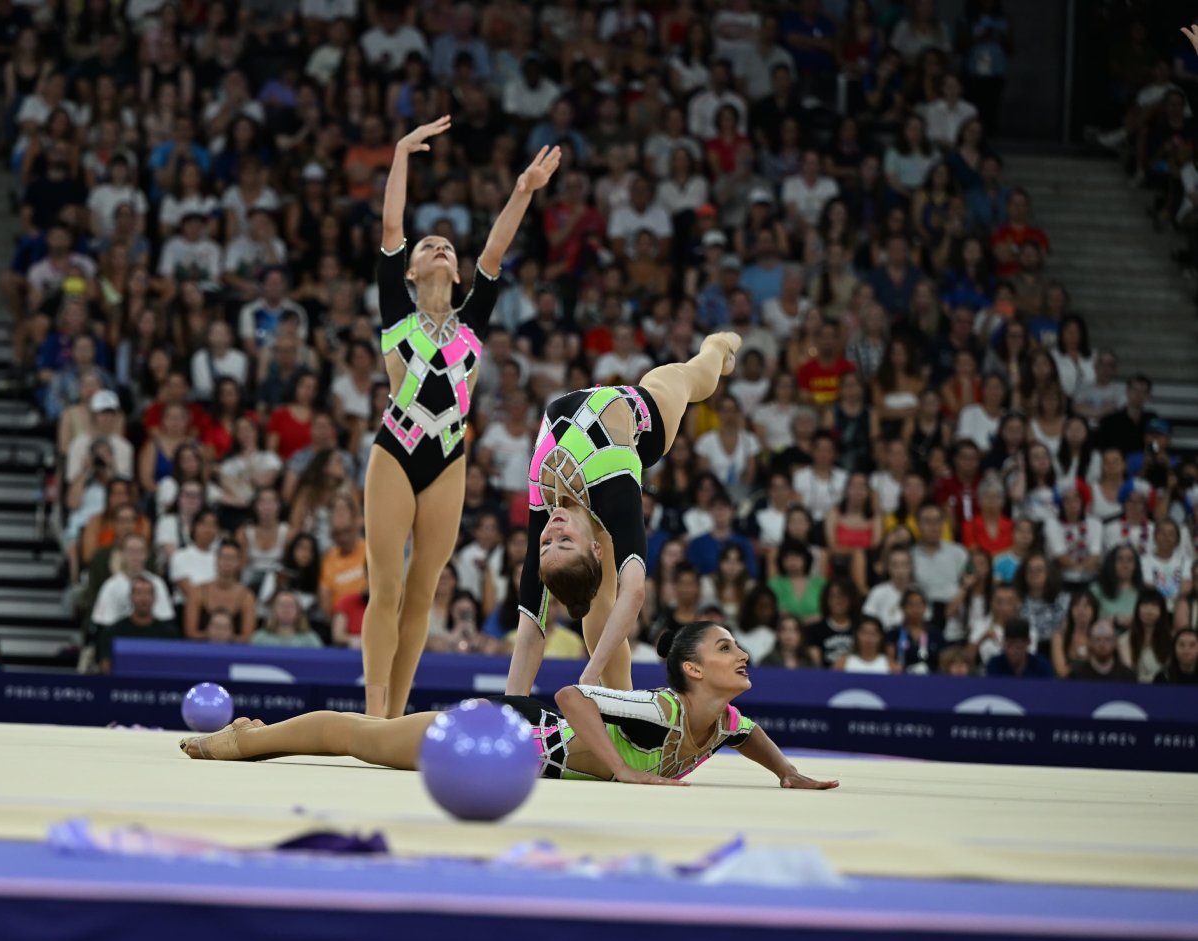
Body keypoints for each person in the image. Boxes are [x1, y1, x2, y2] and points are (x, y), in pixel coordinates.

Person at [362, 118, 560, 718]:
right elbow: (392, 226)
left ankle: (394, 718)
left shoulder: (473, 323)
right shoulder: (396, 310)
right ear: (412, 271)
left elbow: (494, 252)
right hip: (395, 452)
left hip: (448, 459)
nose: (440, 246)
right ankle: (372, 714)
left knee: (423, 592)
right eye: (428, 248)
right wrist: (399, 153)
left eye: (447, 244)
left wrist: (523, 190)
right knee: (387, 586)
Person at [184, 621, 838, 790]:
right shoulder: (662, 711)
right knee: (363, 737)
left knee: (372, 734)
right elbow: (571, 694)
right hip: (503, 734)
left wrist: (785, 772)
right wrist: (624, 769)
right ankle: (241, 741)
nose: (742, 654)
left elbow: (747, 734)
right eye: (728, 648)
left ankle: (257, 731)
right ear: (694, 670)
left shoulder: (721, 722)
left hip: (521, 754)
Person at [507, 331, 742, 700]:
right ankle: (626, 708)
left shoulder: (545, 506)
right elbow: (633, 592)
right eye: (564, 541)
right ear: (596, 550)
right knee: (691, 378)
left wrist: (513, 707)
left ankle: (718, 345)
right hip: (649, 417)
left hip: (595, 431)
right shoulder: (615, 491)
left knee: (702, 371)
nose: (553, 529)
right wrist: (591, 674)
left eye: (548, 544)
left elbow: (529, 627)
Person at [984, 617, 1056, 679]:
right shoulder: (995, 665)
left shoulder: (1041, 667)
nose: (1012, 651)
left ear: (1028, 642)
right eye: (1008, 645)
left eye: (1018, 647)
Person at [1067, 619, 1136, 682]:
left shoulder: (1127, 677)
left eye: (1107, 639)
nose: (1102, 644)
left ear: (1115, 643)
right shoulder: (1077, 674)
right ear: (1090, 643)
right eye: (1097, 639)